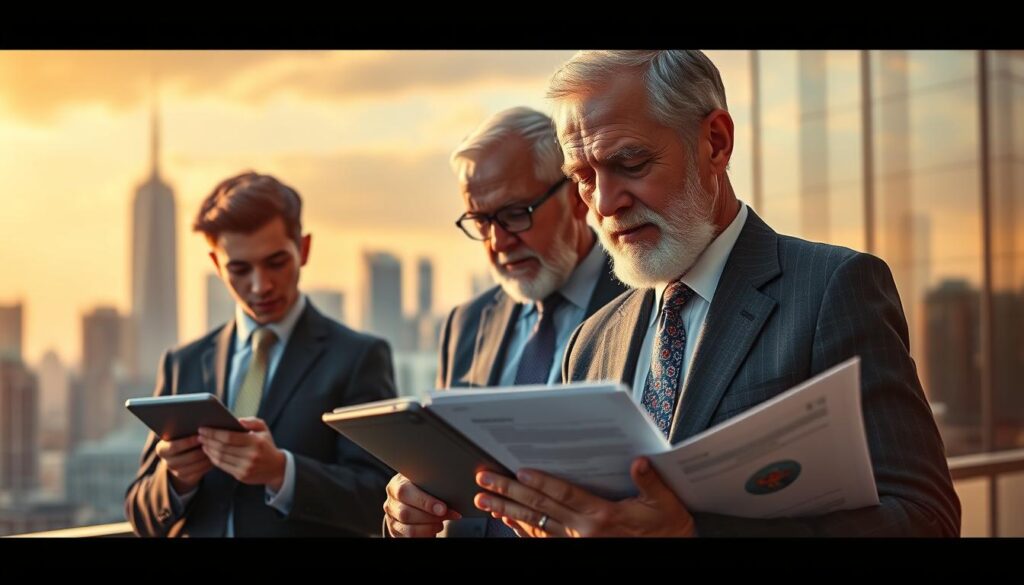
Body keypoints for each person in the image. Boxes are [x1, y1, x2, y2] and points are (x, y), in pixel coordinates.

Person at [472, 50, 961, 537]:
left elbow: (926, 519)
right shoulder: (591, 342)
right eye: (582, 178)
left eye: (630, 162)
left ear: (715, 142)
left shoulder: (834, 288)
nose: (603, 202)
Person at [383, 107, 626, 537]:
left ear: (576, 194)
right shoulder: (467, 325)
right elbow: (441, 480)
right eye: (481, 221)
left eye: (515, 213)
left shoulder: (647, 305)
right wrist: (404, 516)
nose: (498, 241)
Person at [126, 171, 396, 537]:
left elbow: (382, 500)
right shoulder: (182, 363)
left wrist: (282, 472)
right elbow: (140, 513)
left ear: (303, 249)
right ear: (217, 265)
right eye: (240, 268)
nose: (260, 285)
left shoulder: (358, 358)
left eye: (276, 262)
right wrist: (175, 480)